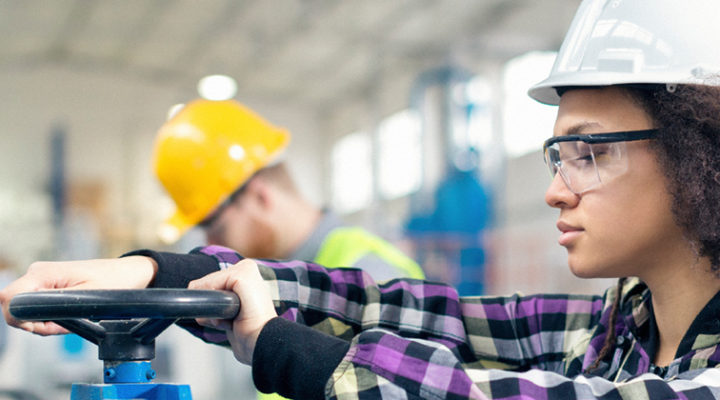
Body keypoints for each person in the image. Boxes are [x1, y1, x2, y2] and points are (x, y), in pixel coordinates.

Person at [3, 0, 720, 398]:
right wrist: (171, 274)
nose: (554, 188)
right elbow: (437, 320)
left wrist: (282, 350)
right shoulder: (613, 332)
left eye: (589, 153)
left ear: (700, 152)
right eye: (557, 155)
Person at [153, 98, 424, 282]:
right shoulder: (289, 279)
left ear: (260, 196)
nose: (212, 244)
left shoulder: (368, 276)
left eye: (216, 226)